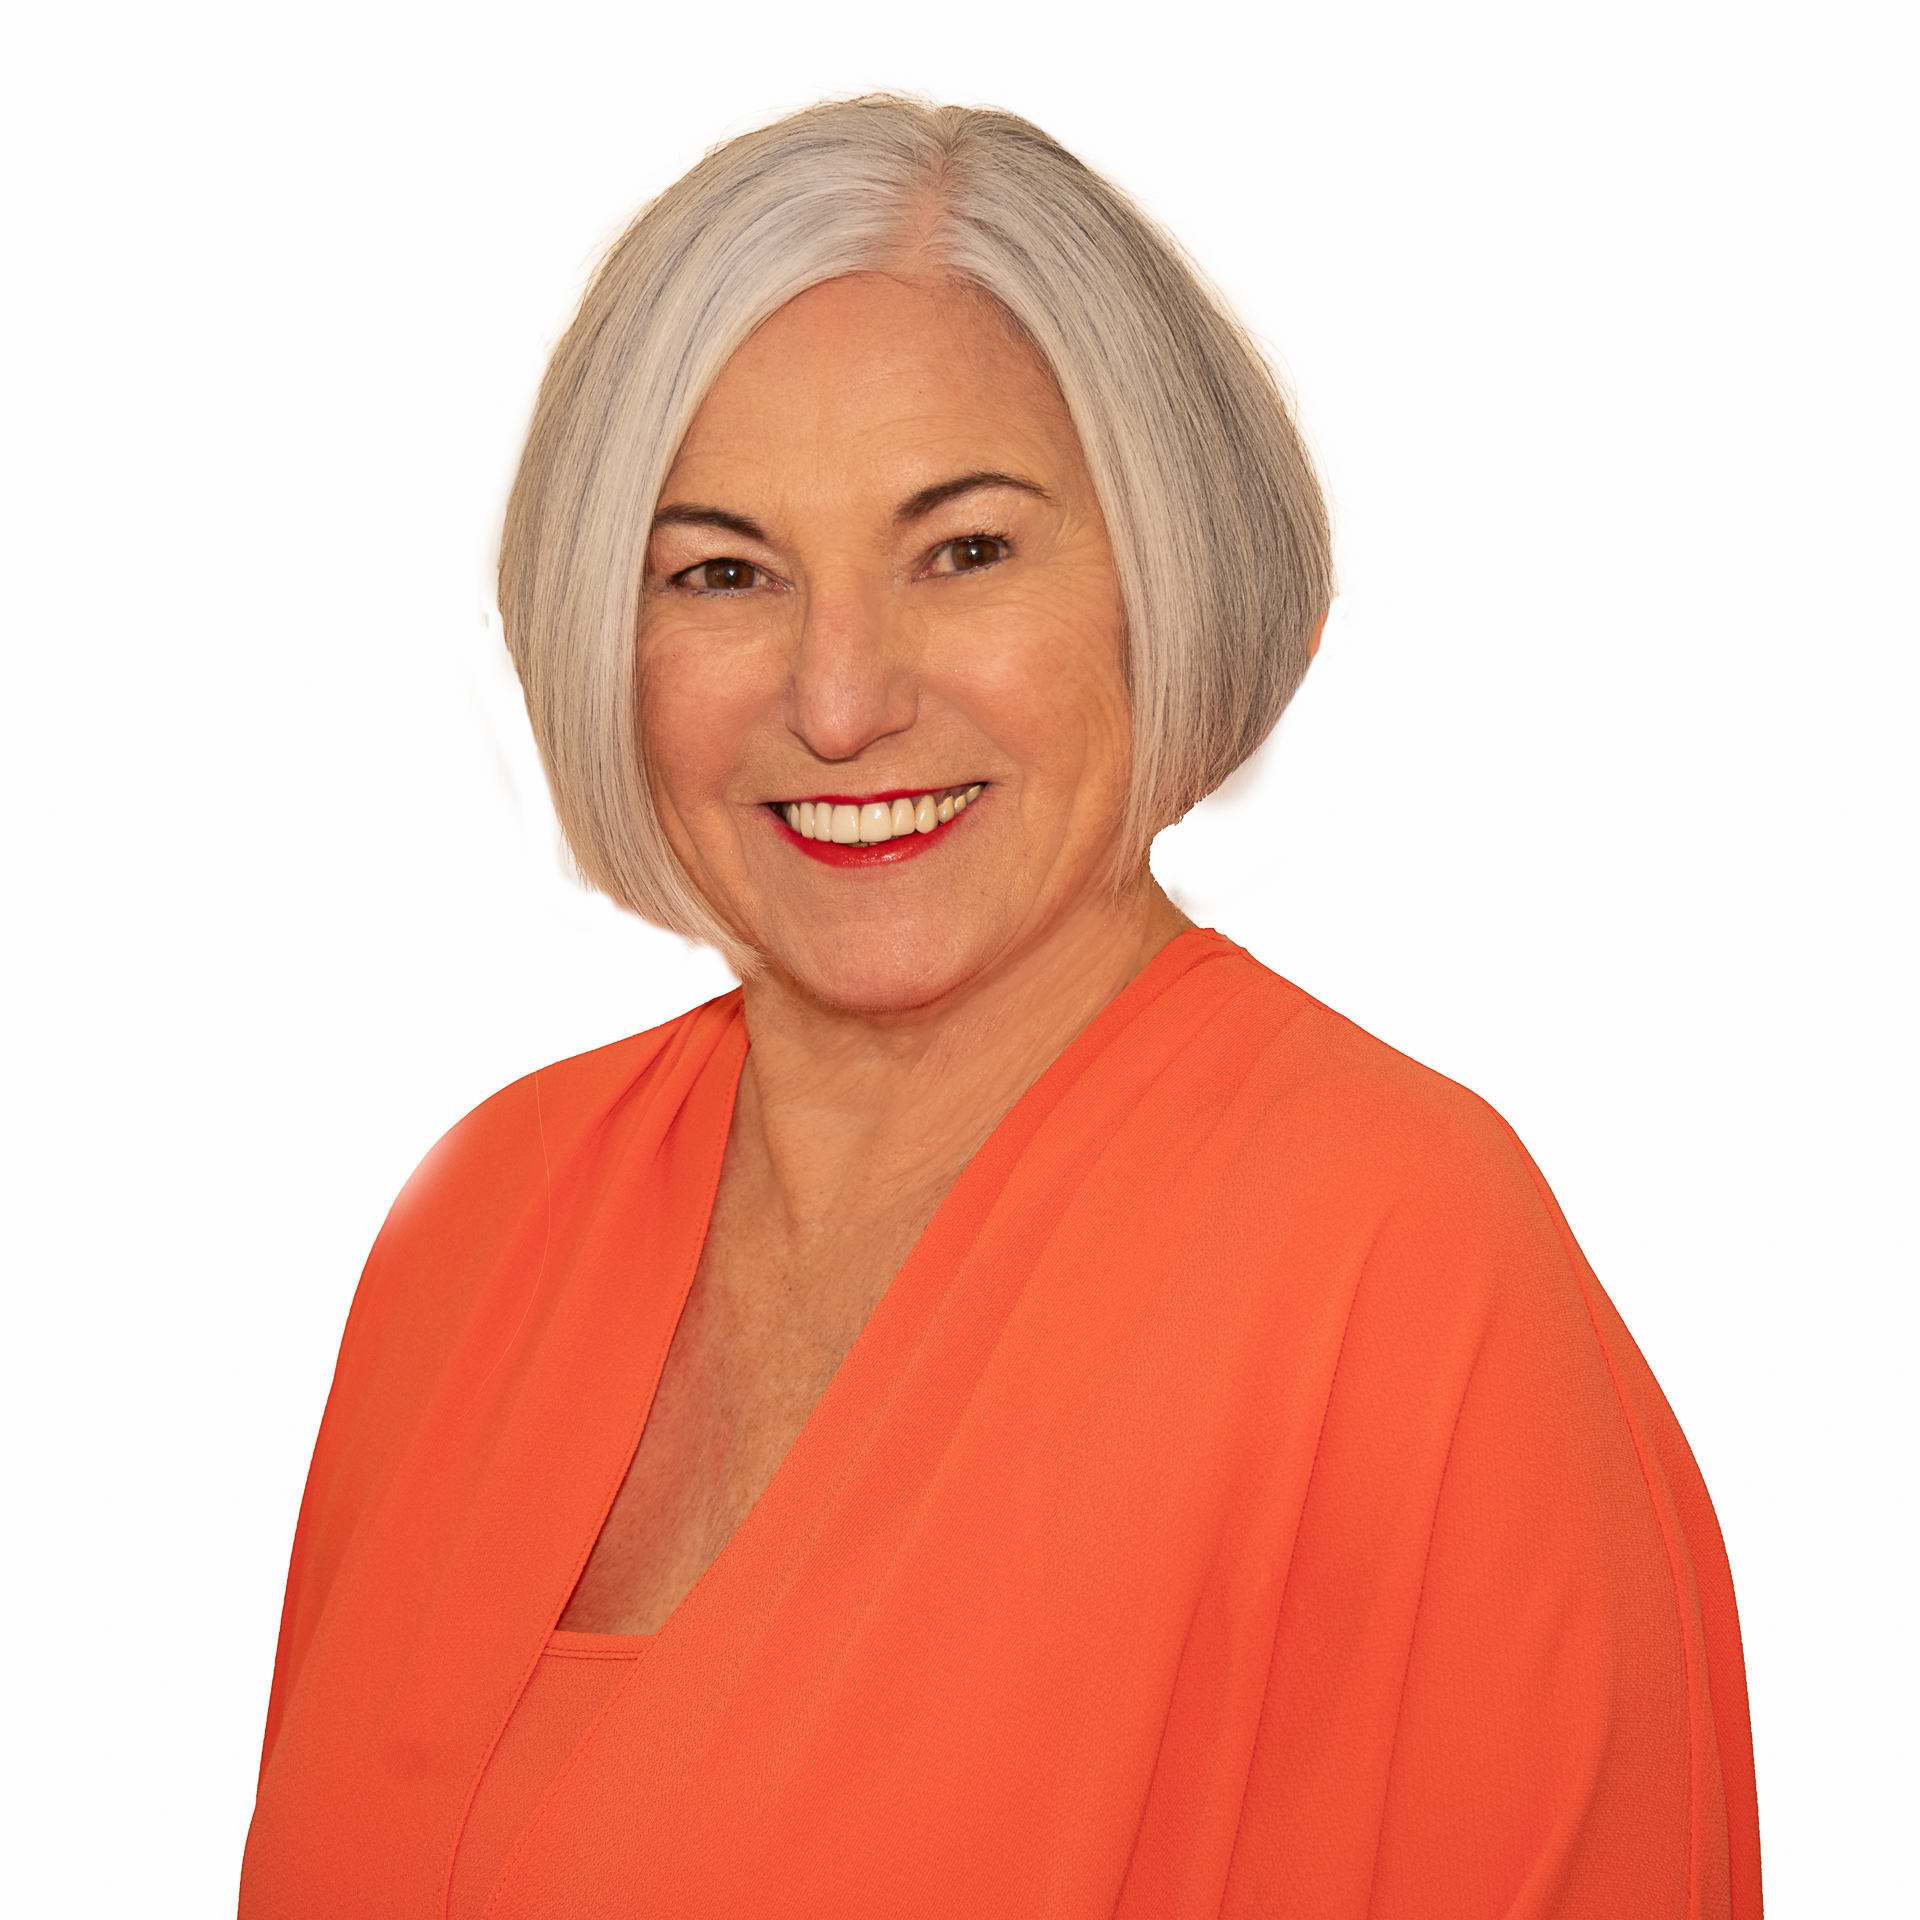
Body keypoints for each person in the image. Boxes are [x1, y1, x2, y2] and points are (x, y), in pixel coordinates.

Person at [239, 97, 1760, 1918]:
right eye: (723, 571)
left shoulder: (1400, 1261)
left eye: (964, 551)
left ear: (1161, 577)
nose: (839, 697)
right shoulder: (481, 1223)